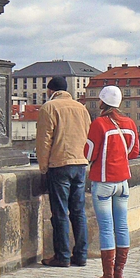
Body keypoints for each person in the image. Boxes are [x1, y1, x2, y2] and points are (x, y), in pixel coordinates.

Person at [85, 86, 140, 278]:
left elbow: (89, 152)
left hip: (103, 181)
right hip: (123, 182)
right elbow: (134, 152)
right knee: (122, 226)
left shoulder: (99, 123)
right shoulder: (130, 123)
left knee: (107, 229)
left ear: (102, 102)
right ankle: (119, 274)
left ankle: (107, 277)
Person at [36, 77, 92, 267]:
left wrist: (43, 167)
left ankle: (62, 256)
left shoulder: (49, 108)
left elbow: (44, 141)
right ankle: (81, 255)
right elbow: (88, 135)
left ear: (51, 91)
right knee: (78, 212)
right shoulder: (81, 108)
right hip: (80, 164)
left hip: (60, 164)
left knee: (60, 212)